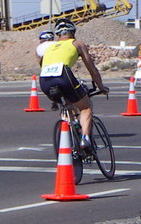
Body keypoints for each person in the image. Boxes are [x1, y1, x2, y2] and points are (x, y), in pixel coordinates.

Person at [39, 18, 109, 150]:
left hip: (44, 80)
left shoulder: (49, 47)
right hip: (63, 75)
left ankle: (70, 131)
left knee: (67, 105)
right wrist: (101, 87)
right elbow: (92, 69)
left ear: (57, 35)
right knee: (85, 107)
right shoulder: (77, 44)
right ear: (73, 32)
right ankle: (85, 139)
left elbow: (43, 65)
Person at [35, 30, 59, 111]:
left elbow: (40, 62)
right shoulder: (58, 44)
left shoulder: (39, 47)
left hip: (47, 72)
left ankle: (54, 100)